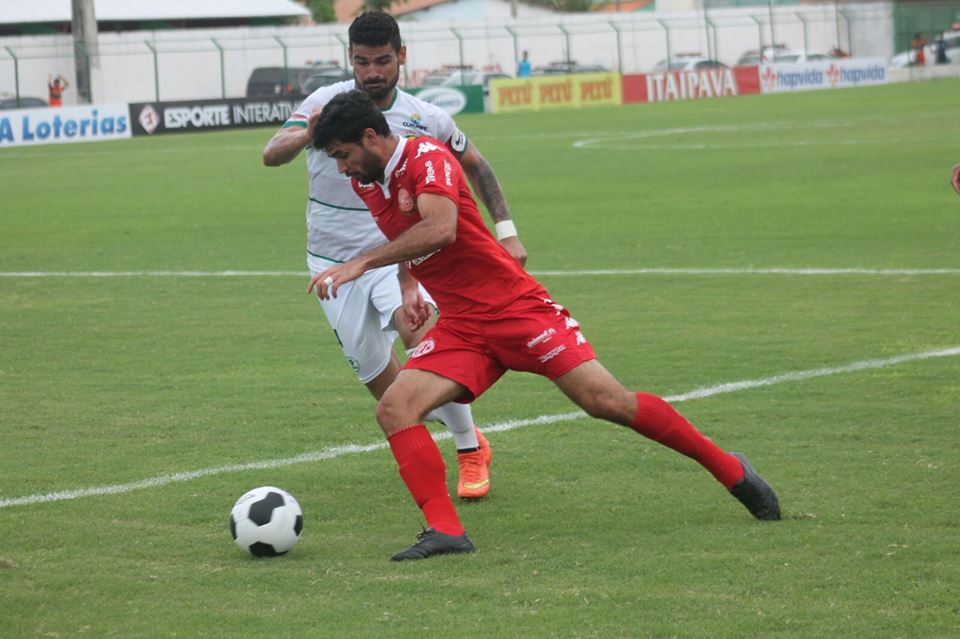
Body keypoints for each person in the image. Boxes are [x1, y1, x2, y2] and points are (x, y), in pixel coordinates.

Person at [308, 90, 782, 562]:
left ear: (371, 136)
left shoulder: (427, 158)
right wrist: (408, 284)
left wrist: (360, 264)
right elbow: (404, 232)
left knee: (607, 402)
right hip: (463, 326)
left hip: (517, 310)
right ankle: (445, 531)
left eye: (344, 155)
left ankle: (730, 469)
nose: (342, 169)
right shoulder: (367, 183)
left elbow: (439, 227)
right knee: (395, 408)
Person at [262, 11, 528, 499]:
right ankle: (438, 437)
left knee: (422, 335)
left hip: (397, 255)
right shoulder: (323, 104)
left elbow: (477, 165)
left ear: (401, 57)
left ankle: (469, 452)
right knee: (377, 376)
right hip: (329, 263)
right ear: (351, 60)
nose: (372, 73)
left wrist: (506, 229)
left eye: (383, 60)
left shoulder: (424, 118)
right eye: (362, 62)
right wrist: (309, 133)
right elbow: (271, 153)